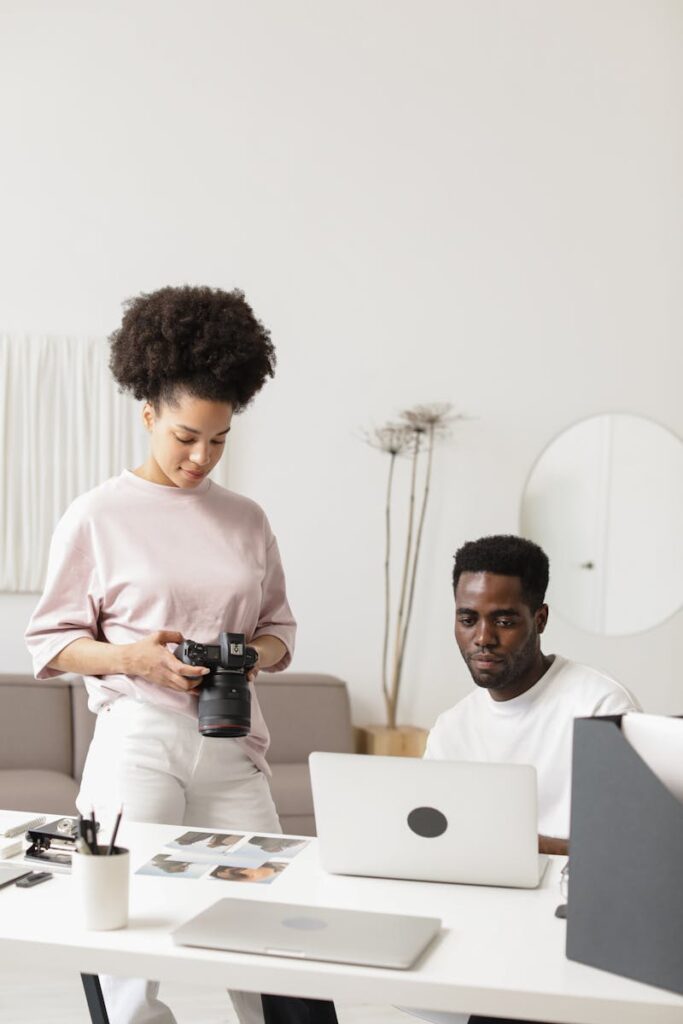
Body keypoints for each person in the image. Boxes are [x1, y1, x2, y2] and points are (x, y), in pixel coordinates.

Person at [25, 285, 338, 1024]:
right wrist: (135, 659)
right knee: (125, 943)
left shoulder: (245, 520)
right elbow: (52, 642)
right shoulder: (96, 514)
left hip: (231, 746)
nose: (202, 456)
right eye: (185, 436)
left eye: (219, 438)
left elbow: (280, 630)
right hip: (138, 741)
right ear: (147, 415)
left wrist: (248, 656)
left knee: (274, 931)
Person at [407, 534, 640, 1024]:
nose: (483, 638)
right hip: (476, 920)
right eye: (467, 619)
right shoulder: (453, 728)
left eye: (504, 620)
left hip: (570, 925)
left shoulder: (601, 707)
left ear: (540, 619)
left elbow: (628, 857)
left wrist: (518, 846)